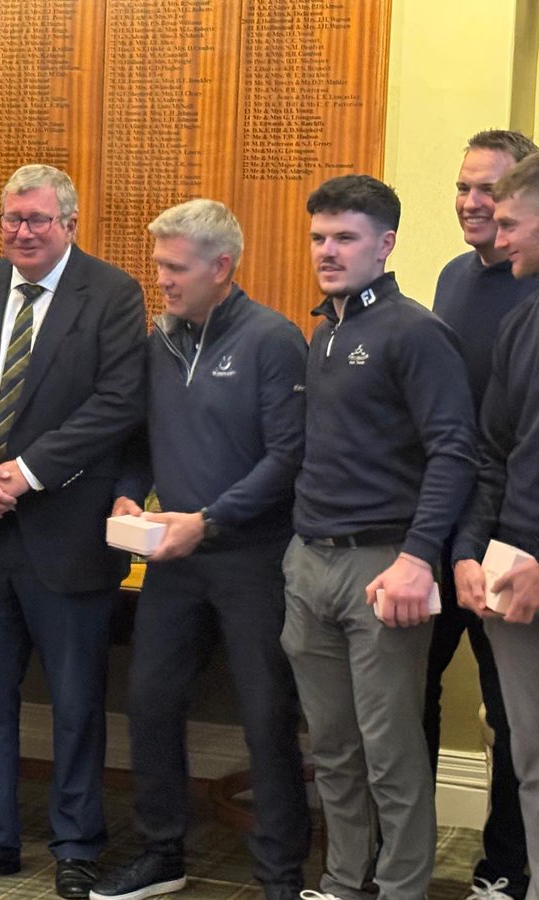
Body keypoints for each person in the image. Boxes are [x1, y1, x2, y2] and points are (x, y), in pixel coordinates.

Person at [0, 164, 146, 898]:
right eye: (12, 219)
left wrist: (26, 471)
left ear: (69, 224)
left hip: (65, 532)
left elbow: (118, 402)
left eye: (38, 220)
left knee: (77, 705)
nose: (22, 232)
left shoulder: (112, 294)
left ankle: (76, 847)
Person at [92, 200, 309, 900]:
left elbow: (286, 458)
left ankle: (279, 873)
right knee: (150, 701)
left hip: (254, 559)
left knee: (266, 715)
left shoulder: (273, 339)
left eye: (175, 267)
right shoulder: (157, 343)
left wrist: (209, 521)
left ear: (221, 267)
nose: (161, 279)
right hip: (174, 559)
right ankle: (162, 852)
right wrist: (128, 495)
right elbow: (139, 443)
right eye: (159, 264)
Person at [281, 174, 478, 900]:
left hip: (385, 565)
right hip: (311, 562)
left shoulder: (414, 332)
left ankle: (400, 890)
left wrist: (419, 557)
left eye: (345, 237)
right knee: (333, 747)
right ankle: (343, 881)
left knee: (390, 750)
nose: (327, 251)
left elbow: (454, 451)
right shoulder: (324, 332)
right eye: (318, 237)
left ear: (385, 244)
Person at [425, 129, 536, 900]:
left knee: (514, 717)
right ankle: (403, 858)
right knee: (409, 695)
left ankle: (506, 867)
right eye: (464, 188)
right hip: (443, 530)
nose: (474, 205)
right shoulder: (451, 280)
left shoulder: (531, 290)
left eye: (491, 193)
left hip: (515, 542)